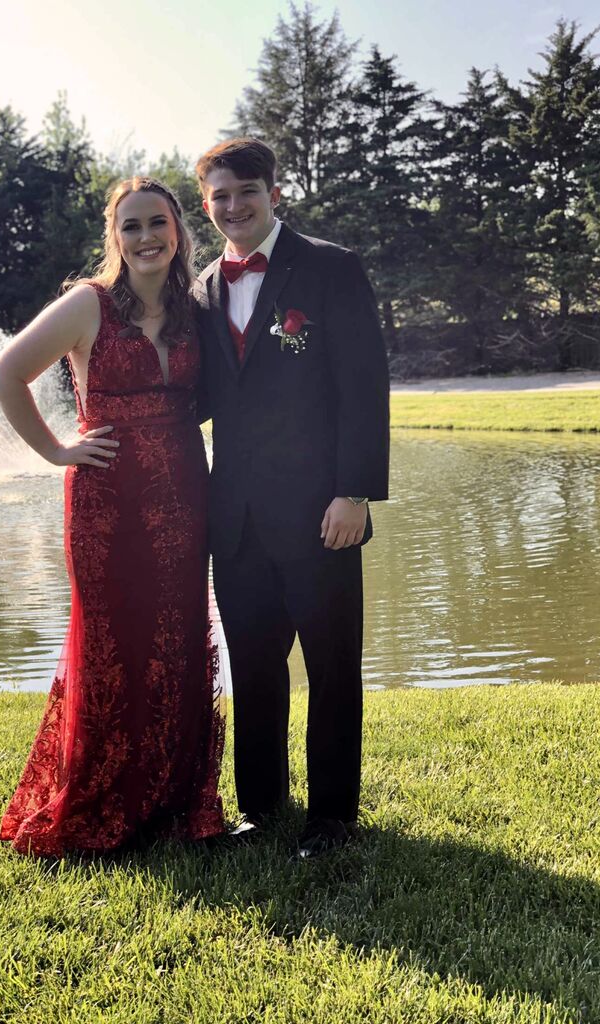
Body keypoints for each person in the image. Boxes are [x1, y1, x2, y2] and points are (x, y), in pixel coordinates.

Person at [0, 177, 225, 858]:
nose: (146, 237)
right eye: (132, 227)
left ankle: (179, 802)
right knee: (111, 642)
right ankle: (101, 802)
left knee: (179, 639)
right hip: (105, 499)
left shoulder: (193, 308)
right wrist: (58, 449)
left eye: (158, 223)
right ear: (114, 237)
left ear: (178, 229)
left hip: (182, 496)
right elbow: (5, 375)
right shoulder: (87, 305)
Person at [193, 138, 390, 859]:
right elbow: (201, 399)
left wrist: (355, 492)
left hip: (321, 513)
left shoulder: (331, 268)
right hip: (236, 520)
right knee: (254, 665)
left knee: (334, 666)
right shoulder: (201, 289)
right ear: (206, 204)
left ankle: (333, 817)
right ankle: (262, 807)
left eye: (246, 190)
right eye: (219, 195)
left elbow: (365, 386)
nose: (234, 205)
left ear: (275, 193)